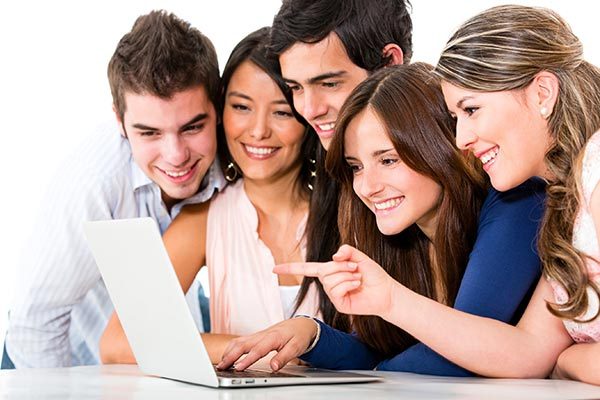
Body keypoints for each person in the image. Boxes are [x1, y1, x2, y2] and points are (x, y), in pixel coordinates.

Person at [217, 63, 547, 376]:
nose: (367, 187)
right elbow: (381, 351)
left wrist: (377, 373)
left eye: (388, 160)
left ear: (440, 147)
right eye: (356, 167)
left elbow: (466, 352)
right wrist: (310, 334)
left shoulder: (517, 202)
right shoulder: (406, 235)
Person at [2, 10, 224, 368]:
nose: (176, 155)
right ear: (120, 122)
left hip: (162, 339)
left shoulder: (241, 154)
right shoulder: (93, 183)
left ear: (218, 109)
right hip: (60, 357)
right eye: (149, 133)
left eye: (192, 127)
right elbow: (36, 324)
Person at [98, 27, 321, 364]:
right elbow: (117, 343)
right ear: (219, 112)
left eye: (282, 112)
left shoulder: (347, 210)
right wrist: (257, 346)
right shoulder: (204, 219)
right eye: (241, 107)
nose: (258, 131)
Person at [270, 0, 413, 334]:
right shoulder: (332, 168)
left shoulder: (473, 165)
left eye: (329, 84)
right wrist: (312, 336)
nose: (309, 109)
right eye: (295, 87)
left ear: (389, 63)